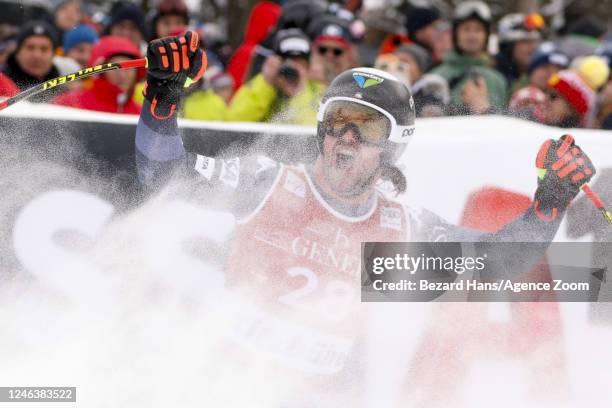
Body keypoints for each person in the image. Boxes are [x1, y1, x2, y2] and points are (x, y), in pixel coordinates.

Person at [134, 31, 596, 402]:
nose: (347, 137)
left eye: (367, 126)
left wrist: (550, 201)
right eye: (338, 121)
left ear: (393, 145)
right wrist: (164, 92)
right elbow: (160, 171)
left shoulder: (398, 232)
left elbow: (499, 264)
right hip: (224, 385)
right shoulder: (268, 184)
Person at [430, 1, 507, 114]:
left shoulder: (498, 80)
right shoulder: (436, 76)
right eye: (466, 29)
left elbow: (507, 127)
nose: (472, 36)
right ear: (456, 34)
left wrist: (483, 109)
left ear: (486, 36)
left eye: (478, 30)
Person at [53, 36, 143, 114]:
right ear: (100, 71)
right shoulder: (69, 104)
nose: (122, 75)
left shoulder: (142, 116)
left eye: (129, 68)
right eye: (115, 68)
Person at [0, 21, 61, 101]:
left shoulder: (65, 92)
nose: (37, 55)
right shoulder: (1, 86)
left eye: (44, 49)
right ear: (18, 52)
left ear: (53, 54)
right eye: (30, 47)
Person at [495, 13, 544, 93]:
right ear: (508, 47)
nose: (533, 47)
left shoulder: (544, 68)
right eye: (526, 42)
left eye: (535, 42)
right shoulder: (492, 74)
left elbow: (571, 96)